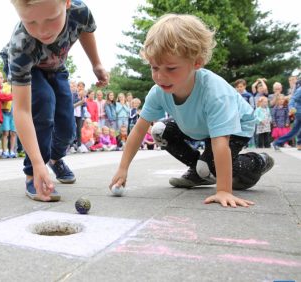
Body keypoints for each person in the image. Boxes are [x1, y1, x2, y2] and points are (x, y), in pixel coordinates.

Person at [110, 14, 274, 208]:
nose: (160, 76)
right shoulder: (159, 91)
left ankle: (257, 161)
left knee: (212, 166)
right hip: (200, 125)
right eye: (155, 67)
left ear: (197, 62)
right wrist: (122, 168)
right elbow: (138, 130)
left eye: (171, 68)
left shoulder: (215, 93)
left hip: (236, 128)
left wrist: (223, 190)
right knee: (160, 131)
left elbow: (221, 141)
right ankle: (200, 170)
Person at [1, 0, 109, 201]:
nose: (42, 31)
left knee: (67, 125)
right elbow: (22, 111)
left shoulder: (79, 10)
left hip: (56, 67)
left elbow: (86, 29)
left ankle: (55, 158)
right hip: (30, 67)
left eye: (51, 19)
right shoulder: (21, 45)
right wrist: (36, 164)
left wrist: (96, 64)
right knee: (43, 102)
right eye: (30, 22)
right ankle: (33, 173)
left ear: (67, 3)